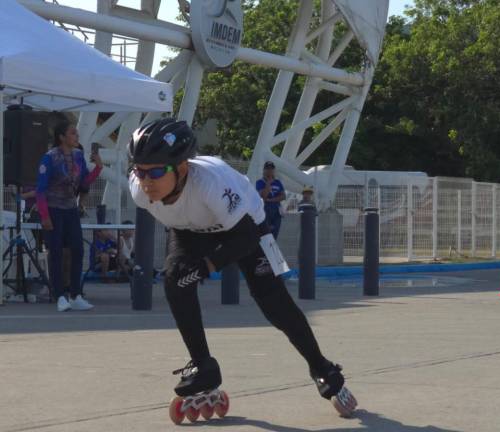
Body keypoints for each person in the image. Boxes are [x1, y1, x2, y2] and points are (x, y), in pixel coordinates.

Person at [127, 118, 357, 418]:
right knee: (175, 280)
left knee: (273, 302)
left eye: (156, 171)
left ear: (182, 169)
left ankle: (321, 366)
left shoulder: (210, 184)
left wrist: (208, 265)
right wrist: (191, 268)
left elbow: (246, 237)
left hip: (244, 227)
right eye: (139, 171)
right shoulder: (139, 190)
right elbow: (181, 227)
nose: (146, 181)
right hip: (191, 229)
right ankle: (203, 366)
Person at [36, 122, 103, 312]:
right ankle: (59, 296)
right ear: (62, 137)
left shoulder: (78, 156)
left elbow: (84, 182)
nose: (77, 136)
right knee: (56, 252)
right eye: (73, 133)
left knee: (77, 250)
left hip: (71, 209)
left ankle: (75, 295)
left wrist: (98, 168)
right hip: (53, 209)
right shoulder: (49, 158)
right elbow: (40, 190)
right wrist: (44, 216)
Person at [255, 161, 286, 239]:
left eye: (271, 169)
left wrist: (271, 200)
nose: (269, 171)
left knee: (275, 233)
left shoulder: (278, 182)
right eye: (267, 169)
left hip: (276, 210)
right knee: (266, 233)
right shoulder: (260, 182)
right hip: (265, 209)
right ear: (264, 170)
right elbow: (263, 196)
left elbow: (283, 196)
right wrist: (268, 183)